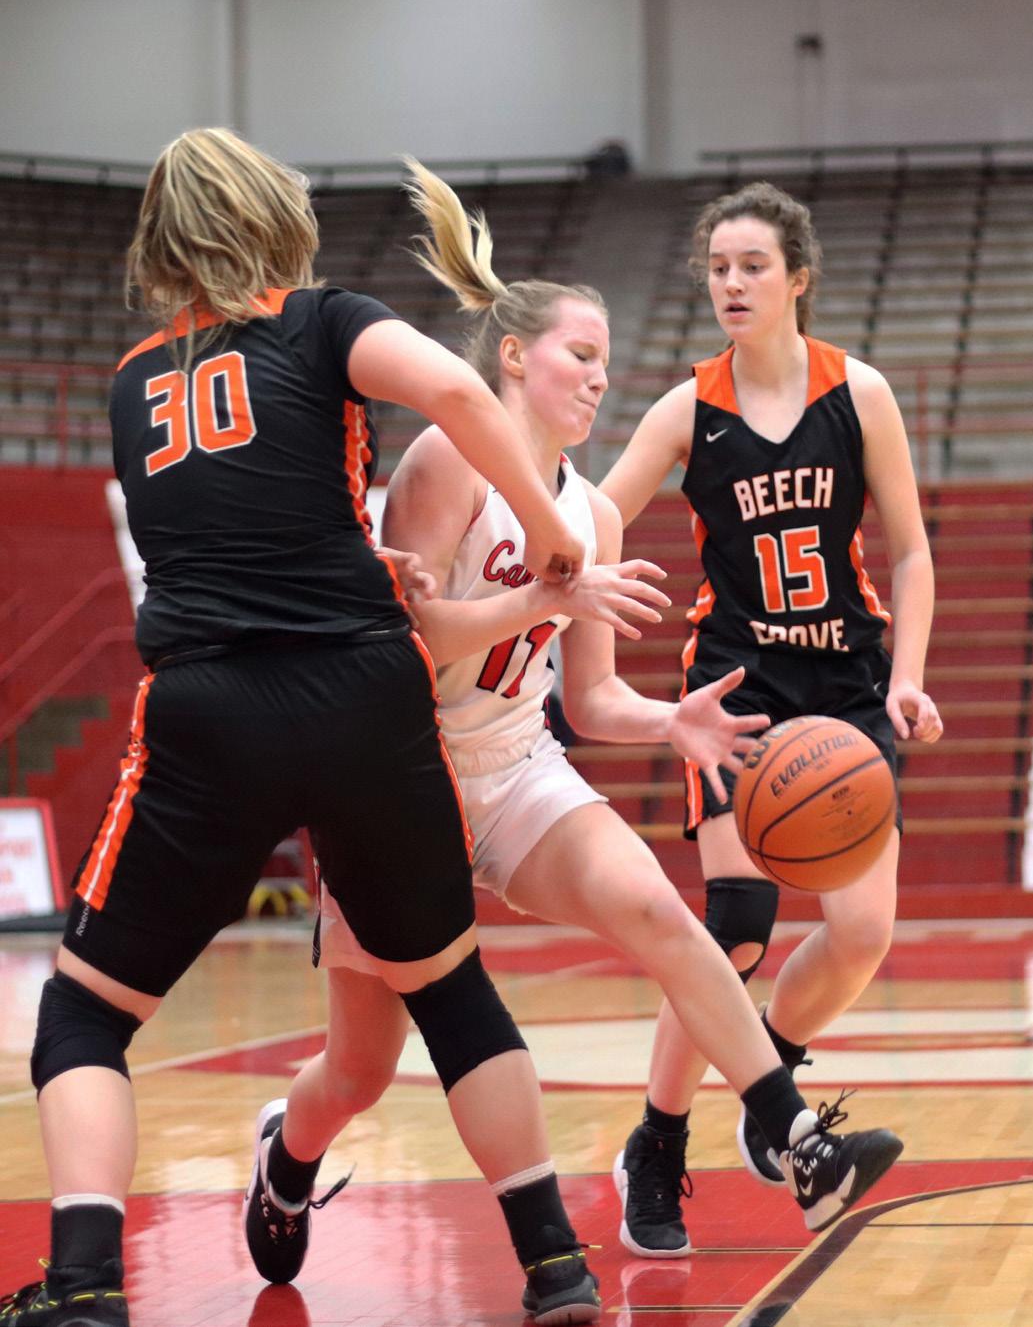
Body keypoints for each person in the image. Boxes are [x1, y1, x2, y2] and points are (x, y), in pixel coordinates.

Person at [244, 160, 907, 1302]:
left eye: (606, 360)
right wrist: (543, 598)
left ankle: (795, 1138)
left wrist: (672, 720)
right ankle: (288, 1153)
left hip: (513, 765)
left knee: (665, 914)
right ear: (513, 356)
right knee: (359, 1067)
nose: (601, 377)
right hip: (396, 776)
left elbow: (589, 701)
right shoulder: (447, 461)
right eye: (580, 355)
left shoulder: (593, 511)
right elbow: (407, 641)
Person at [0, 128, 607, 1327]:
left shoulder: (132, 381)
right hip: (360, 693)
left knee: (85, 1014)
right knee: (451, 991)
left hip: (211, 709)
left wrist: (352, 556)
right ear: (278, 216)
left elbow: (226, 530)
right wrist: (548, 527)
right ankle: (554, 1263)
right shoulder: (324, 320)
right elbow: (450, 390)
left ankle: (84, 1285)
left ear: (163, 242)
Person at [599, 179, 943, 1253]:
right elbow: (598, 512)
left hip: (846, 687)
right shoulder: (687, 408)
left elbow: (910, 552)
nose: (731, 283)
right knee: (737, 928)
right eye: (717, 268)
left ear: (797, 278)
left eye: (752, 266)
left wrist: (907, 678)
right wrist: (550, 554)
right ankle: (656, 1144)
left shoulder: (858, 392)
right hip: (736, 692)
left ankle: (770, 1090)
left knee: (861, 932)